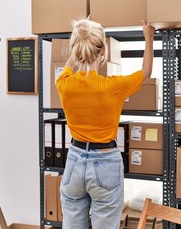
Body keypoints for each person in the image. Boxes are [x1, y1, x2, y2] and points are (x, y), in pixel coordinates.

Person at [56, 18, 155, 229]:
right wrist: (149, 37)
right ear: (104, 52)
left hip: (74, 160)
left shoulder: (64, 84)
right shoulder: (114, 86)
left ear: (76, 49)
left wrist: (80, 44)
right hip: (106, 163)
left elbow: (68, 65)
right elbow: (145, 72)